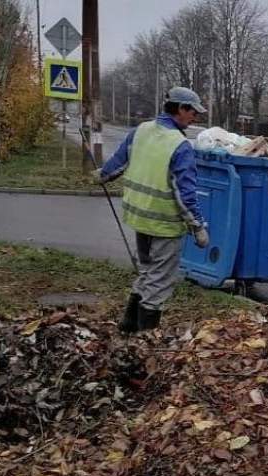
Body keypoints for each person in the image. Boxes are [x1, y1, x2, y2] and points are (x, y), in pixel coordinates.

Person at [94, 86, 210, 333]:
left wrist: (103, 175)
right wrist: (198, 225)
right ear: (180, 108)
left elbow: (119, 161)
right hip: (165, 224)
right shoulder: (180, 145)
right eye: (193, 112)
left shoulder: (141, 130)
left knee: (147, 271)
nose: (196, 117)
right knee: (159, 280)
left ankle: (128, 324)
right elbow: (184, 193)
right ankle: (146, 341)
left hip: (139, 217)